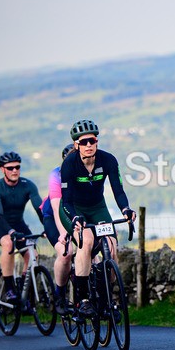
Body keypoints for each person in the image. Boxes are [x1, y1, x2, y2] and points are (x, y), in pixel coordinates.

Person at [59, 120, 135, 318]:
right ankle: (82, 300)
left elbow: (118, 190)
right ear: (76, 145)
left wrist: (126, 209)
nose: (88, 145)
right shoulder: (69, 164)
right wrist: (75, 217)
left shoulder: (108, 160)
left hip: (98, 208)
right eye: (83, 142)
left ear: (97, 141)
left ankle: (106, 299)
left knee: (111, 245)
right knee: (87, 240)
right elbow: (66, 201)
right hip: (73, 209)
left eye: (92, 140)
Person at [0, 151, 44, 305]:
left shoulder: (28, 185)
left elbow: (40, 210)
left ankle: (21, 286)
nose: (14, 170)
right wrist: (11, 232)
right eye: (10, 168)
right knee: (8, 243)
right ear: (3, 169)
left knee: (33, 253)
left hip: (18, 223)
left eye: (17, 167)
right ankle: (9, 288)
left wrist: (48, 227)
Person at [40, 144, 76, 315]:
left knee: (92, 253)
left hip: (75, 215)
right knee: (66, 252)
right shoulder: (56, 174)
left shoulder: (86, 172)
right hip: (53, 217)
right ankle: (60, 296)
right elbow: (56, 208)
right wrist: (63, 233)